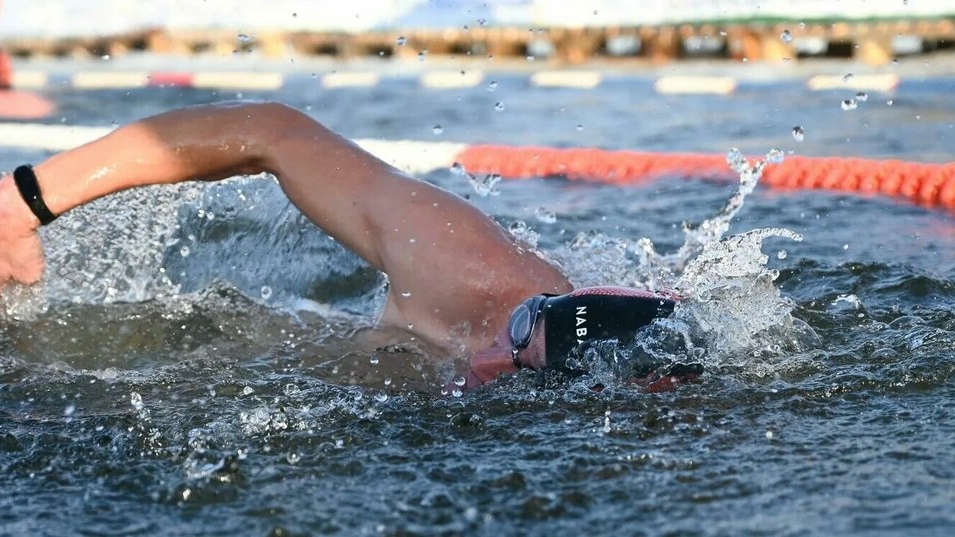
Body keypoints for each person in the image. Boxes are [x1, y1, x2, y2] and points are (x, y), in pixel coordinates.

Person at [0, 101, 698, 392]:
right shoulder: (469, 267)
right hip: (257, 344)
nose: (493, 353)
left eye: (524, 365)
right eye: (519, 324)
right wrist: (27, 199)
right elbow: (272, 132)